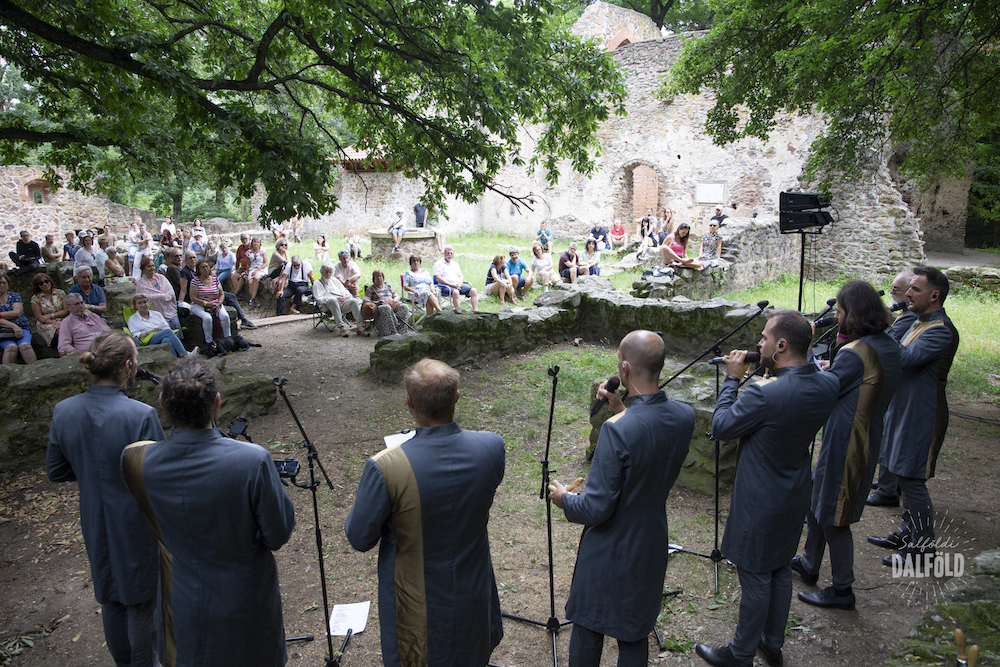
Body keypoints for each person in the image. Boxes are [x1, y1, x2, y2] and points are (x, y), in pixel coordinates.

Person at [120, 357, 295, 667]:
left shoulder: (138, 460)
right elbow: (277, 533)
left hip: (184, 592)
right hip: (246, 596)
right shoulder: (251, 461)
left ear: (162, 403)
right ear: (217, 402)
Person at [695, 311, 839, 667]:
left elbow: (722, 425)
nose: (758, 344)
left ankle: (741, 654)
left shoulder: (765, 394)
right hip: (795, 487)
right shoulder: (827, 383)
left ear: (782, 345)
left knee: (756, 572)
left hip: (761, 495)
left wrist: (732, 380)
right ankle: (772, 642)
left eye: (763, 338)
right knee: (778, 568)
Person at [345, 358, 505, 667]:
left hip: (415, 608)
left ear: (409, 404)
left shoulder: (385, 467)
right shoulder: (491, 448)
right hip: (473, 591)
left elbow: (359, 536)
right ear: (456, 398)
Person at [549, 330, 693, 667]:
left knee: (588, 626)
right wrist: (621, 408)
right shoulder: (685, 417)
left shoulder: (617, 430)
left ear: (625, 369)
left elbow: (597, 507)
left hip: (610, 546)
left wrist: (563, 499)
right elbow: (651, 429)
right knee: (633, 631)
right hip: (651, 538)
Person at [47, 331, 164, 667]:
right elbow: (157, 476)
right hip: (136, 521)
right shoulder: (140, 416)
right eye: (136, 359)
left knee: (111, 597)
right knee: (141, 602)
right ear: (128, 366)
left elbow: (55, 471)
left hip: (95, 516)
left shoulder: (64, 411)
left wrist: (90, 472)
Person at [793, 281, 901, 611]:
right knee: (819, 501)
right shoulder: (886, 343)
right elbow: (849, 379)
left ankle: (842, 589)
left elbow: (826, 390)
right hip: (864, 431)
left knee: (834, 516)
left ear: (851, 314)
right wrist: (834, 368)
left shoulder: (857, 353)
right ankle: (810, 563)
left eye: (839, 312)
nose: (836, 317)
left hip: (848, 441)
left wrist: (808, 351)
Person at [868, 267, 959, 569]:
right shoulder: (919, 322)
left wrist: (884, 326)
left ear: (934, 295)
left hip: (924, 413)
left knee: (912, 478)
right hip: (904, 408)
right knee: (900, 473)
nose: (907, 294)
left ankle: (923, 548)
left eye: (914, 290)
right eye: (908, 289)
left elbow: (904, 358)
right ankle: (909, 533)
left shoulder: (941, 330)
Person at [867, 269, 917, 507]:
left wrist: (884, 323)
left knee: (890, 436)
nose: (893, 293)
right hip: (896, 386)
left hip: (902, 389)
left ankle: (887, 489)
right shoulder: (907, 315)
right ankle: (887, 483)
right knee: (888, 434)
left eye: (897, 289)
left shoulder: (907, 318)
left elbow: (891, 347)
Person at [127, 293, 191, 357]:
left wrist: (160, 330)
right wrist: (150, 332)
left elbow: (166, 327)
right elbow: (136, 337)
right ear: (135, 306)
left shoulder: (157, 314)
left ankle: (173, 362)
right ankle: (185, 354)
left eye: (145, 302)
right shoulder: (132, 319)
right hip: (146, 340)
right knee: (167, 332)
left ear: (148, 303)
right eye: (139, 303)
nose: (143, 305)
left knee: (166, 340)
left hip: (160, 335)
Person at [313, 262, 367, 337]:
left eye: (330, 272)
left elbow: (345, 291)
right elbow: (319, 299)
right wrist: (335, 298)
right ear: (322, 272)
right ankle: (342, 328)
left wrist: (345, 296)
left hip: (341, 303)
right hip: (327, 305)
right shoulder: (317, 284)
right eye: (326, 272)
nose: (328, 274)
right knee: (333, 300)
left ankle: (361, 328)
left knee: (354, 301)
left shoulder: (335, 280)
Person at [189, 259, 231, 347]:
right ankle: (209, 343)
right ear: (198, 270)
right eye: (203, 267)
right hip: (199, 304)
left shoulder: (215, 279)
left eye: (207, 266)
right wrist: (206, 304)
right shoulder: (195, 281)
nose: (205, 269)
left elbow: (221, 293)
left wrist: (219, 303)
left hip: (215, 303)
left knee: (225, 316)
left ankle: (228, 340)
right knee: (207, 318)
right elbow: (193, 298)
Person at [0, 273, 38, 365]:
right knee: (11, 348)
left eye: (4, 283)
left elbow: (17, 313)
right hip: (3, 331)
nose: (2, 285)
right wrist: (13, 326)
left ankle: (36, 372)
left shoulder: (14, 296)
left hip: (22, 327)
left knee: (25, 346)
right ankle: (7, 376)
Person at [136, 256, 181, 330]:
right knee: (165, 330)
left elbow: (170, 292)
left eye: (153, 266)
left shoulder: (161, 278)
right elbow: (146, 298)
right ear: (143, 269)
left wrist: (160, 296)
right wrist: (163, 296)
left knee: (176, 325)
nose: (152, 268)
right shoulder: (140, 284)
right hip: (154, 313)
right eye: (149, 266)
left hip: (169, 310)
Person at [364, 269, 410, 336]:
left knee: (404, 306)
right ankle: (392, 332)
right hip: (381, 308)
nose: (379, 278)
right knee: (386, 307)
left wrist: (394, 300)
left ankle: (402, 331)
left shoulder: (388, 287)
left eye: (380, 276)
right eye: (377, 276)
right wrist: (377, 302)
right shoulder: (371, 289)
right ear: (373, 279)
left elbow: (396, 296)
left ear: (383, 277)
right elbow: (366, 299)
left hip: (393, 305)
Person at [433, 245, 478, 312]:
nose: (449, 255)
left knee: (473, 290)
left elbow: (461, 276)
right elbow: (438, 278)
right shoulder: (439, 264)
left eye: (451, 253)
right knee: (456, 292)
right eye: (448, 253)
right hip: (445, 286)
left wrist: (460, 284)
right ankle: (458, 311)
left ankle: (475, 311)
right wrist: (451, 285)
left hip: (457, 285)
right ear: (444, 253)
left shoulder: (455, 264)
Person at [30, 272, 68, 349]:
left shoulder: (60, 293)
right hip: (45, 323)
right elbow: (39, 317)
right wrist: (53, 321)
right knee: (59, 329)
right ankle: (64, 350)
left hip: (61, 318)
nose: (45, 284)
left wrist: (51, 315)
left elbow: (66, 310)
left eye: (46, 281)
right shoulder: (35, 298)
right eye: (41, 283)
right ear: (38, 286)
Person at [246, 238, 269, 308]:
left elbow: (266, 263)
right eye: (254, 242)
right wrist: (248, 272)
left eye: (257, 242)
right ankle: (255, 300)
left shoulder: (262, 251)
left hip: (261, 268)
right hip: (252, 269)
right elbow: (247, 264)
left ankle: (252, 298)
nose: (256, 243)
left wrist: (258, 270)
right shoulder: (248, 252)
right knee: (250, 282)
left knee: (256, 278)